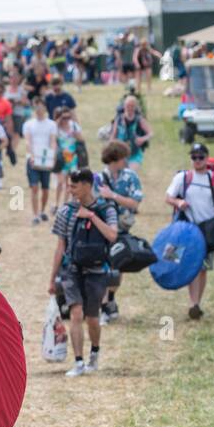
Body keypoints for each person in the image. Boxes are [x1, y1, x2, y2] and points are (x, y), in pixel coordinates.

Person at [48, 168, 119, 376]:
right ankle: (78, 361)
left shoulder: (107, 209)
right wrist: (52, 279)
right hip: (71, 270)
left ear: (87, 185)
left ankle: (94, 353)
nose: (70, 190)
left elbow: (112, 235)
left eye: (74, 186)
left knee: (92, 318)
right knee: (75, 313)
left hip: (97, 271)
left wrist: (91, 216)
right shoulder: (65, 211)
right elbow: (60, 246)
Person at [165, 142, 214, 320]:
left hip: (208, 229)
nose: (197, 160)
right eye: (194, 157)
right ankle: (193, 302)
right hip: (187, 228)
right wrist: (178, 203)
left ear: (206, 158)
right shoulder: (183, 178)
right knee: (185, 264)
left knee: (202, 268)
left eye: (201, 157)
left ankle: (195, 303)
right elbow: (169, 197)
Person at [97, 140, 144, 322]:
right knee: (103, 267)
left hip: (123, 228)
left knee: (118, 266)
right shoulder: (98, 178)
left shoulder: (131, 177)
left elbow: (135, 203)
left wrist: (113, 196)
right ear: (115, 159)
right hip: (103, 228)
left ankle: (110, 299)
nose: (126, 161)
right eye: (124, 158)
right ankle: (103, 306)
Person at [22, 98, 56, 225]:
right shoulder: (28, 124)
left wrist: (51, 157)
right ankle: (35, 214)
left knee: (45, 188)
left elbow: (52, 141)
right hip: (33, 159)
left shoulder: (51, 124)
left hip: (45, 159)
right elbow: (28, 141)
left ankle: (42, 210)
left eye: (41, 107)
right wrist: (31, 155)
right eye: (36, 107)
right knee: (34, 187)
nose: (39, 110)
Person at [52, 107, 84, 212]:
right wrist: (58, 121)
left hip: (73, 158)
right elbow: (52, 136)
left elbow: (82, 140)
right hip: (61, 159)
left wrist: (76, 135)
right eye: (63, 117)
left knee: (70, 183)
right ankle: (56, 203)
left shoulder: (74, 126)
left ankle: (65, 205)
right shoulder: (56, 128)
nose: (66, 120)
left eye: (68, 117)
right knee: (60, 182)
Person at [109, 94, 151, 168]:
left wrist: (142, 139)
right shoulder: (118, 119)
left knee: (129, 173)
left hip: (134, 154)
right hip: (120, 153)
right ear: (124, 106)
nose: (130, 108)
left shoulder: (139, 119)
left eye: (132, 106)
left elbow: (150, 133)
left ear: (135, 107)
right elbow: (113, 136)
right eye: (128, 105)